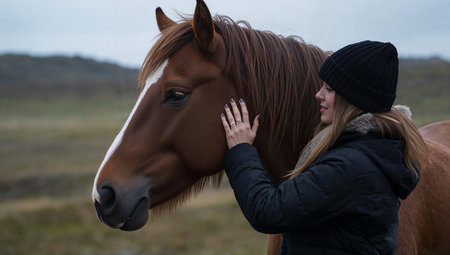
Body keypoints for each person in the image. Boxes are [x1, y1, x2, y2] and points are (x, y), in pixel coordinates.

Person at [219, 40, 428, 254]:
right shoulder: (364, 153)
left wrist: (241, 150)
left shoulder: (349, 167)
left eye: (328, 88)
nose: (318, 94)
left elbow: (268, 211)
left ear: (352, 97)